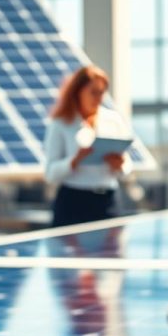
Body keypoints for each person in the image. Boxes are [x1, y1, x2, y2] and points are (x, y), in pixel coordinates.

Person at [44, 65, 133, 227]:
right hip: (73, 202)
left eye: (101, 92)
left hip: (109, 201)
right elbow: (50, 173)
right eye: (93, 92)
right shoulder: (61, 123)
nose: (98, 98)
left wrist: (120, 165)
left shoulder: (113, 120)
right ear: (78, 92)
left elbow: (127, 164)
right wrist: (74, 160)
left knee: (111, 252)